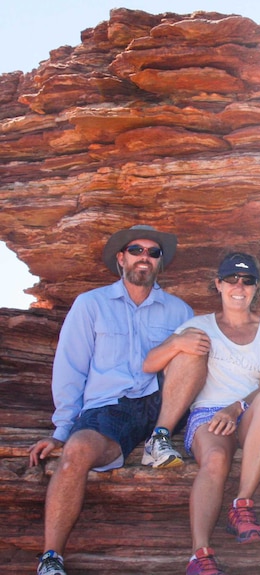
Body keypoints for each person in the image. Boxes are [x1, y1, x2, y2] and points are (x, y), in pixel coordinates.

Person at [28, 224, 197, 575]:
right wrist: (61, 431)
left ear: (159, 263)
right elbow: (71, 368)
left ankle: (160, 439)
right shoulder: (91, 305)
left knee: (192, 347)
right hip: (109, 409)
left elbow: (195, 368)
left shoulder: (180, 311)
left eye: (154, 253)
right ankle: (51, 558)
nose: (145, 258)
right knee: (77, 450)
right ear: (121, 258)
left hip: (161, 405)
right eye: (137, 250)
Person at [143, 252, 260, 575]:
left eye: (247, 280)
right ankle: (200, 554)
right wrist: (178, 342)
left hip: (249, 413)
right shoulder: (198, 325)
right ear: (218, 284)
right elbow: (149, 363)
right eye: (232, 279)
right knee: (216, 461)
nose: (239, 286)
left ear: (256, 288)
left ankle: (242, 504)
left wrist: (235, 407)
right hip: (208, 414)